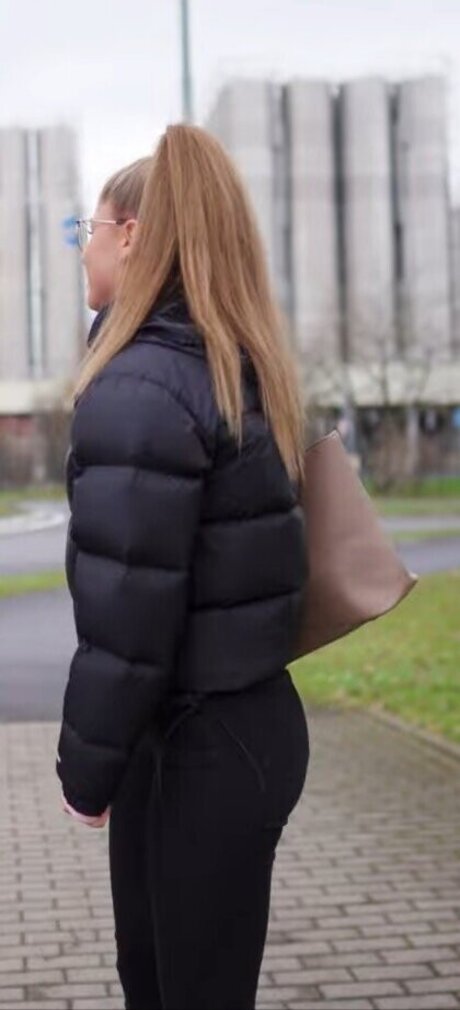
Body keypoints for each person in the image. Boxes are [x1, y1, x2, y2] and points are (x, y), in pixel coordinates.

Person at [56, 124, 310, 1010]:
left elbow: (129, 619)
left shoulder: (138, 386)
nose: (81, 246)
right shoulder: (233, 362)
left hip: (196, 748)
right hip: (248, 728)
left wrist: (86, 773)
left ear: (131, 237)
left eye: (87, 228)